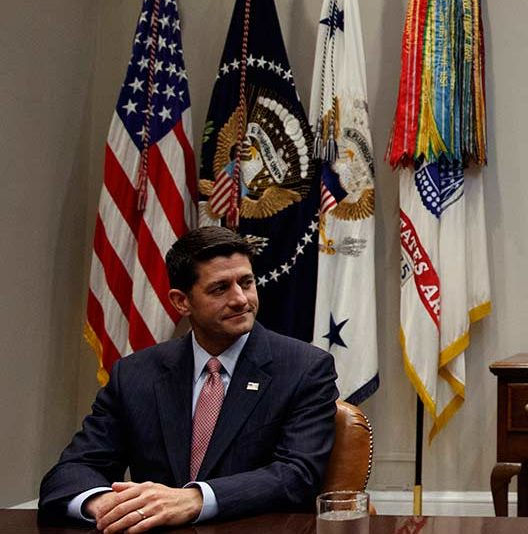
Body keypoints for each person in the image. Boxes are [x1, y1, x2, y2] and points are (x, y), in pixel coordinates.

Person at [39, 226, 339, 531]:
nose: (240, 299)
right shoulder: (135, 374)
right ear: (181, 302)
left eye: (246, 283)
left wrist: (195, 499)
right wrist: (109, 506)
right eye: (220, 288)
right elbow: (71, 471)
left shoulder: (304, 368)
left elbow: (297, 475)